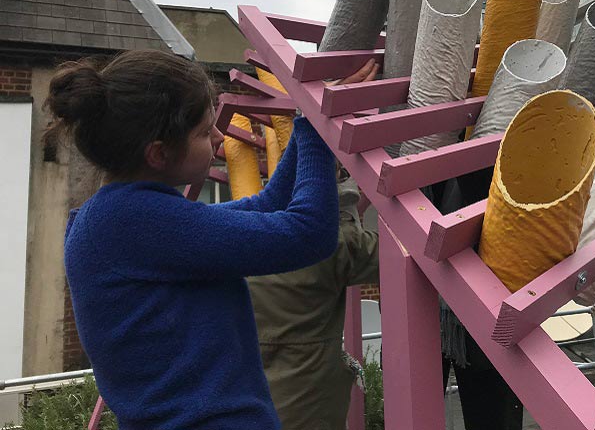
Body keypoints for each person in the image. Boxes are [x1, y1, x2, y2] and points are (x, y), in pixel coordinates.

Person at [49, 50, 368, 429]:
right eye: (203, 132)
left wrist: (308, 122)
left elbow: (267, 205)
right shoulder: (133, 222)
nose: (219, 136)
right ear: (158, 153)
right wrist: (317, 132)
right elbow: (309, 235)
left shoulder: (116, 217)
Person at [252, 165, 379, 430]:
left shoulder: (249, 243)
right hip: (310, 409)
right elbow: (396, 252)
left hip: (258, 406)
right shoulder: (329, 247)